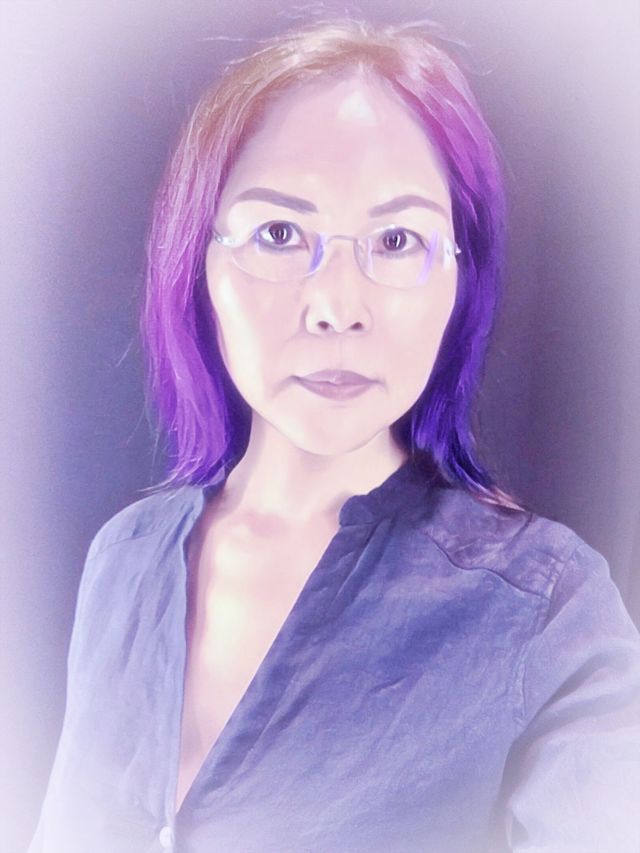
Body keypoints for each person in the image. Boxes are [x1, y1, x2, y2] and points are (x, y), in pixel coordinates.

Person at [29, 17, 640, 853]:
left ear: (459, 277)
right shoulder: (124, 561)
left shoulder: (549, 612)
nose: (337, 306)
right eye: (280, 234)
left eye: (397, 240)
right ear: (200, 264)